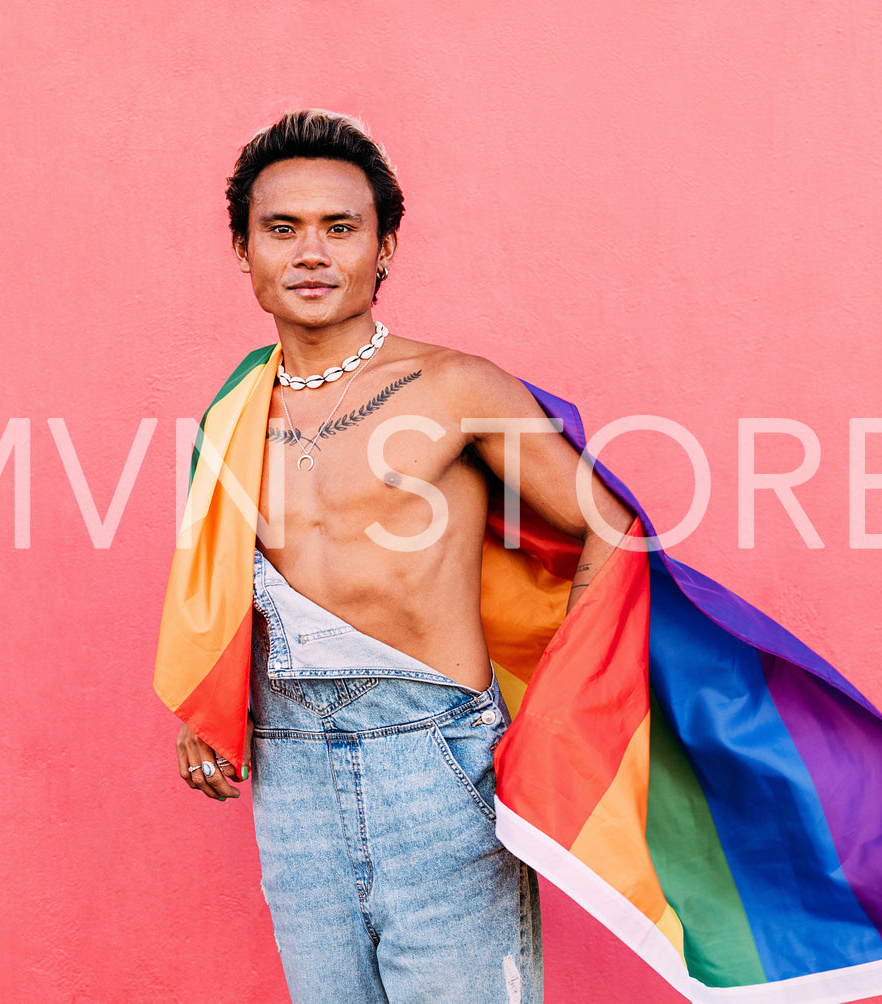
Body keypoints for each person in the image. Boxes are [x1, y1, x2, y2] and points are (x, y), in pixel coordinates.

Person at [167, 110, 635, 1004]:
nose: (311, 253)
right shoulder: (232, 408)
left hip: (437, 757)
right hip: (288, 758)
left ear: (383, 249)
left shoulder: (455, 387)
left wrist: (557, 720)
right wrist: (209, 705)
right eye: (282, 229)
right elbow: (236, 581)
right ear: (242, 251)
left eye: (340, 228)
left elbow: (610, 533)